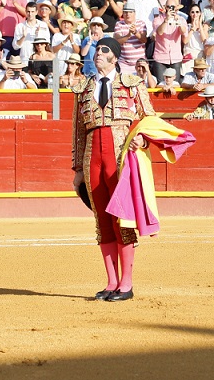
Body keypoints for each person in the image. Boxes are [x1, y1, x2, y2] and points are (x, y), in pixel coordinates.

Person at [70, 36, 154, 301]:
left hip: (120, 156)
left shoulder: (133, 85)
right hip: (92, 156)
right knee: (102, 220)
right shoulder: (83, 88)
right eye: (96, 50)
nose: (98, 54)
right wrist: (77, 169)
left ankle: (126, 284)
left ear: (114, 57)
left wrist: (143, 138)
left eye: (104, 50)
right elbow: (78, 131)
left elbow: (149, 118)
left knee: (123, 218)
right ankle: (111, 282)